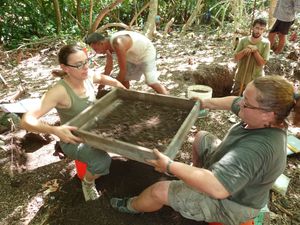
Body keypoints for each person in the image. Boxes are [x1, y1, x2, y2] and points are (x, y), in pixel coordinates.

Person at [109, 75, 300, 224]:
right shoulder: (260, 115)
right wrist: (205, 103)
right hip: (227, 176)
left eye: (246, 103)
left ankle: (131, 206)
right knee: (202, 138)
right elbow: (233, 101)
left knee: (157, 191)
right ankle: (194, 182)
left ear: (268, 114)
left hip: (231, 203)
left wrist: (169, 166)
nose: (240, 103)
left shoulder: (258, 148)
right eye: (244, 97)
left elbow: (218, 189)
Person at [21, 44, 125, 202]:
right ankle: (87, 183)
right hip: (74, 139)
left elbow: (104, 78)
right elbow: (26, 120)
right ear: (65, 68)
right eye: (78, 64)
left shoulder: (87, 75)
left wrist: (120, 87)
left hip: (96, 130)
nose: (85, 67)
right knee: (102, 161)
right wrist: (55, 130)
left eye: (86, 61)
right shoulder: (59, 91)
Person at [85, 31, 169, 95]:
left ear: (101, 43)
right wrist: (101, 85)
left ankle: (169, 99)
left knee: (151, 81)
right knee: (124, 79)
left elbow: (123, 70)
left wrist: (113, 89)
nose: (97, 52)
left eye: (96, 49)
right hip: (132, 56)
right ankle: (126, 97)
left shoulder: (118, 43)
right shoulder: (107, 47)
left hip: (146, 52)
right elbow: (108, 68)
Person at [231, 18, 270, 96]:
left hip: (256, 79)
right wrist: (245, 50)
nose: (258, 31)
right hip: (241, 77)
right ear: (253, 27)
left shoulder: (266, 43)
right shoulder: (243, 40)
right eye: (257, 28)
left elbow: (262, 63)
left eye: (261, 29)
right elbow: (236, 58)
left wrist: (255, 51)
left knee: (251, 101)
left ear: (264, 30)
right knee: (235, 98)